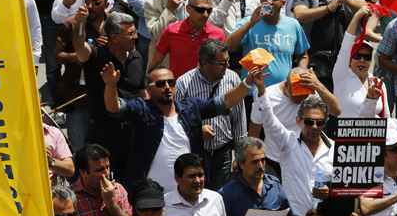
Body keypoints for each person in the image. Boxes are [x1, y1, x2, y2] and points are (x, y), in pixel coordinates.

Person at [101, 64, 254, 192]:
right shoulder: (141, 109)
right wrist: (110, 84)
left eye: (171, 82)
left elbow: (225, 102)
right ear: (148, 89)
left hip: (188, 193)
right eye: (161, 84)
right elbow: (114, 108)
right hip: (151, 197)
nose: (167, 87)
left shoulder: (191, 108)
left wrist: (247, 83)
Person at [72, 11, 144, 176]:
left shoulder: (137, 56)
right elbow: (79, 45)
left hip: (132, 134)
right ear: (115, 37)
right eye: (130, 34)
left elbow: (141, 90)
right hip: (102, 133)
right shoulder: (96, 55)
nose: (136, 37)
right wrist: (79, 24)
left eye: (135, 32)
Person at [175, 40, 247, 189]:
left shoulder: (232, 78)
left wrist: (240, 155)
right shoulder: (184, 83)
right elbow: (176, 121)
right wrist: (197, 130)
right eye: (222, 63)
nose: (227, 66)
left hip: (224, 151)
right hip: (197, 154)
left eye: (228, 61)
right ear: (204, 63)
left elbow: (239, 119)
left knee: (221, 196)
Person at [292, 0, 366, 90]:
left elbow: (365, 7)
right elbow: (300, 14)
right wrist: (328, 8)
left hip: (346, 60)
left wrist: (348, 1)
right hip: (315, 60)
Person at [248, 67, 341, 176]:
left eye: (304, 96)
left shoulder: (312, 92)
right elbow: (254, 129)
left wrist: (318, 85)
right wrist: (252, 158)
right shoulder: (268, 96)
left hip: (302, 160)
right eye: (297, 96)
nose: (301, 100)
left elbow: (336, 111)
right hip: (274, 161)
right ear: (286, 86)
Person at [56, 0, 109, 150]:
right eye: (87, 1)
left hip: (104, 95)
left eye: (96, 2)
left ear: (106, 5)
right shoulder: (70, 25)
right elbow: (57, 55)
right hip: (78, 96)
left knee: (104, 148)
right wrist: (80, 56)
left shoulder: (113, 24)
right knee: (79, 148)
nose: (90, 6)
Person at [218, 137, 296, 216]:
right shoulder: (227, 195)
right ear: (241, 164)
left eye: (263, 160)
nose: (260, 166)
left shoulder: (275, 186)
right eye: (255, 162)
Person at [227, 0, 310, 87]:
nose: (269, 1)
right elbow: (229, 46)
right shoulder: (248, 22)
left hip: (282, 93)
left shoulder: (293, 25)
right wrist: (250, 24)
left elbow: (303, 55)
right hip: (252, 92)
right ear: (260, 0)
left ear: (283, 3)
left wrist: (301, 70)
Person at [164, 153, 230, 216]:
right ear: (177, 178)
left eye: (200, 175)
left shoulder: (215, 199)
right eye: (191, 176)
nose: (197, 181)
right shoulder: (165, 204)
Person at [149, 0, 225, 78]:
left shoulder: (218, 34)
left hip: (208, 88)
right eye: (200, 10)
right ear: (188, 9)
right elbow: (156, 60)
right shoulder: (172, 31)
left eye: (209, 10)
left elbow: (223, 65)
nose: (205, 14)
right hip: (178, 88)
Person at [72, 144, 133, 216]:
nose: (106, 173)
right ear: (83, 172)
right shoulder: (72, 198)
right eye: (99, 170)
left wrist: (111, 204)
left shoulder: (118, 190)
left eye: (107, 167)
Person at [332, 5, 389, 118]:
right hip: (344, 134)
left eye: (366, 57)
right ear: (350, 59)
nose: (362, 60)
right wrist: (357, 17)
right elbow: (346, 46)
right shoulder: (342, 76)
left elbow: (386, 118)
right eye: (358, 56)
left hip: (372, 134)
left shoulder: (377, 83)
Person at [144, 0, 191, 70]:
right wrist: (169, 10)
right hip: (165, 61)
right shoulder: (151, 3)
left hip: (190, 57)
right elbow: (156, 34)